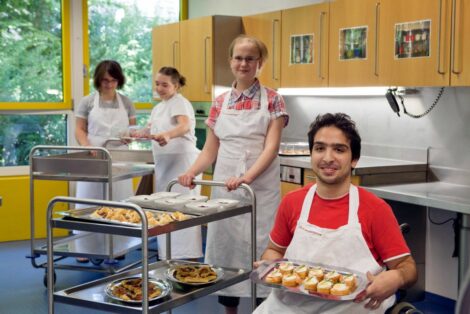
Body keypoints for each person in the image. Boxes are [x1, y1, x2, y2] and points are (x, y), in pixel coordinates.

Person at [254, 113, 418, 313]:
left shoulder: (375, 209)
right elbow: (274, 251)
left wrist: (397, 277)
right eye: (320, 148)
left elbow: (407, 267)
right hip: (287, 306)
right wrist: (269, 265)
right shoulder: (292, 202)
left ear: (354, 159)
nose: (328, 158)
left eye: (339, 149)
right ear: (311, 154)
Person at [178, 35, 289, 313]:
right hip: (224, 188)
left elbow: (271, 147)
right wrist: (192, 171)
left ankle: (264, 309)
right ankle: (230, 310)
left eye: (250, 58)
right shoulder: (220, 102)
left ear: (259, 63)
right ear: (230, 62)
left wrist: (248, 177)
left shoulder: (273, 100)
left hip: (259, 191)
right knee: (225, 250)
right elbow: (209, 149)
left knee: (261, 249)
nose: (243, 63)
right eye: (239, 57)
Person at [74, 60, 136, 262]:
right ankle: (86, 249)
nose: (108, 85)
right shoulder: (88, 102)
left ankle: (118, 246)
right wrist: (87, 146)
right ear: (98, 81)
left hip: (120, 157)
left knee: (119, 202)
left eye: (112, 80)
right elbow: (80, 129)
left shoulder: (126, 102)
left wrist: (130, 136)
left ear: (119, 80)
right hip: (94, 156)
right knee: (90, 201)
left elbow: (133, 129)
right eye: (104, 81)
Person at [146, 66, 202, 260]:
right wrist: (136, 134)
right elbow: (151, 131)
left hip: (183, 162)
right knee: (165, 209)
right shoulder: (158, 108)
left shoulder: (179, 102)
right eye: (157, 84)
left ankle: (191, 259)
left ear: (176, 86)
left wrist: (168, 135)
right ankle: (168, 257)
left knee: (184, 210)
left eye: (165, 85)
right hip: (165, 163)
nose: (160, 88)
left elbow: (184, 126)